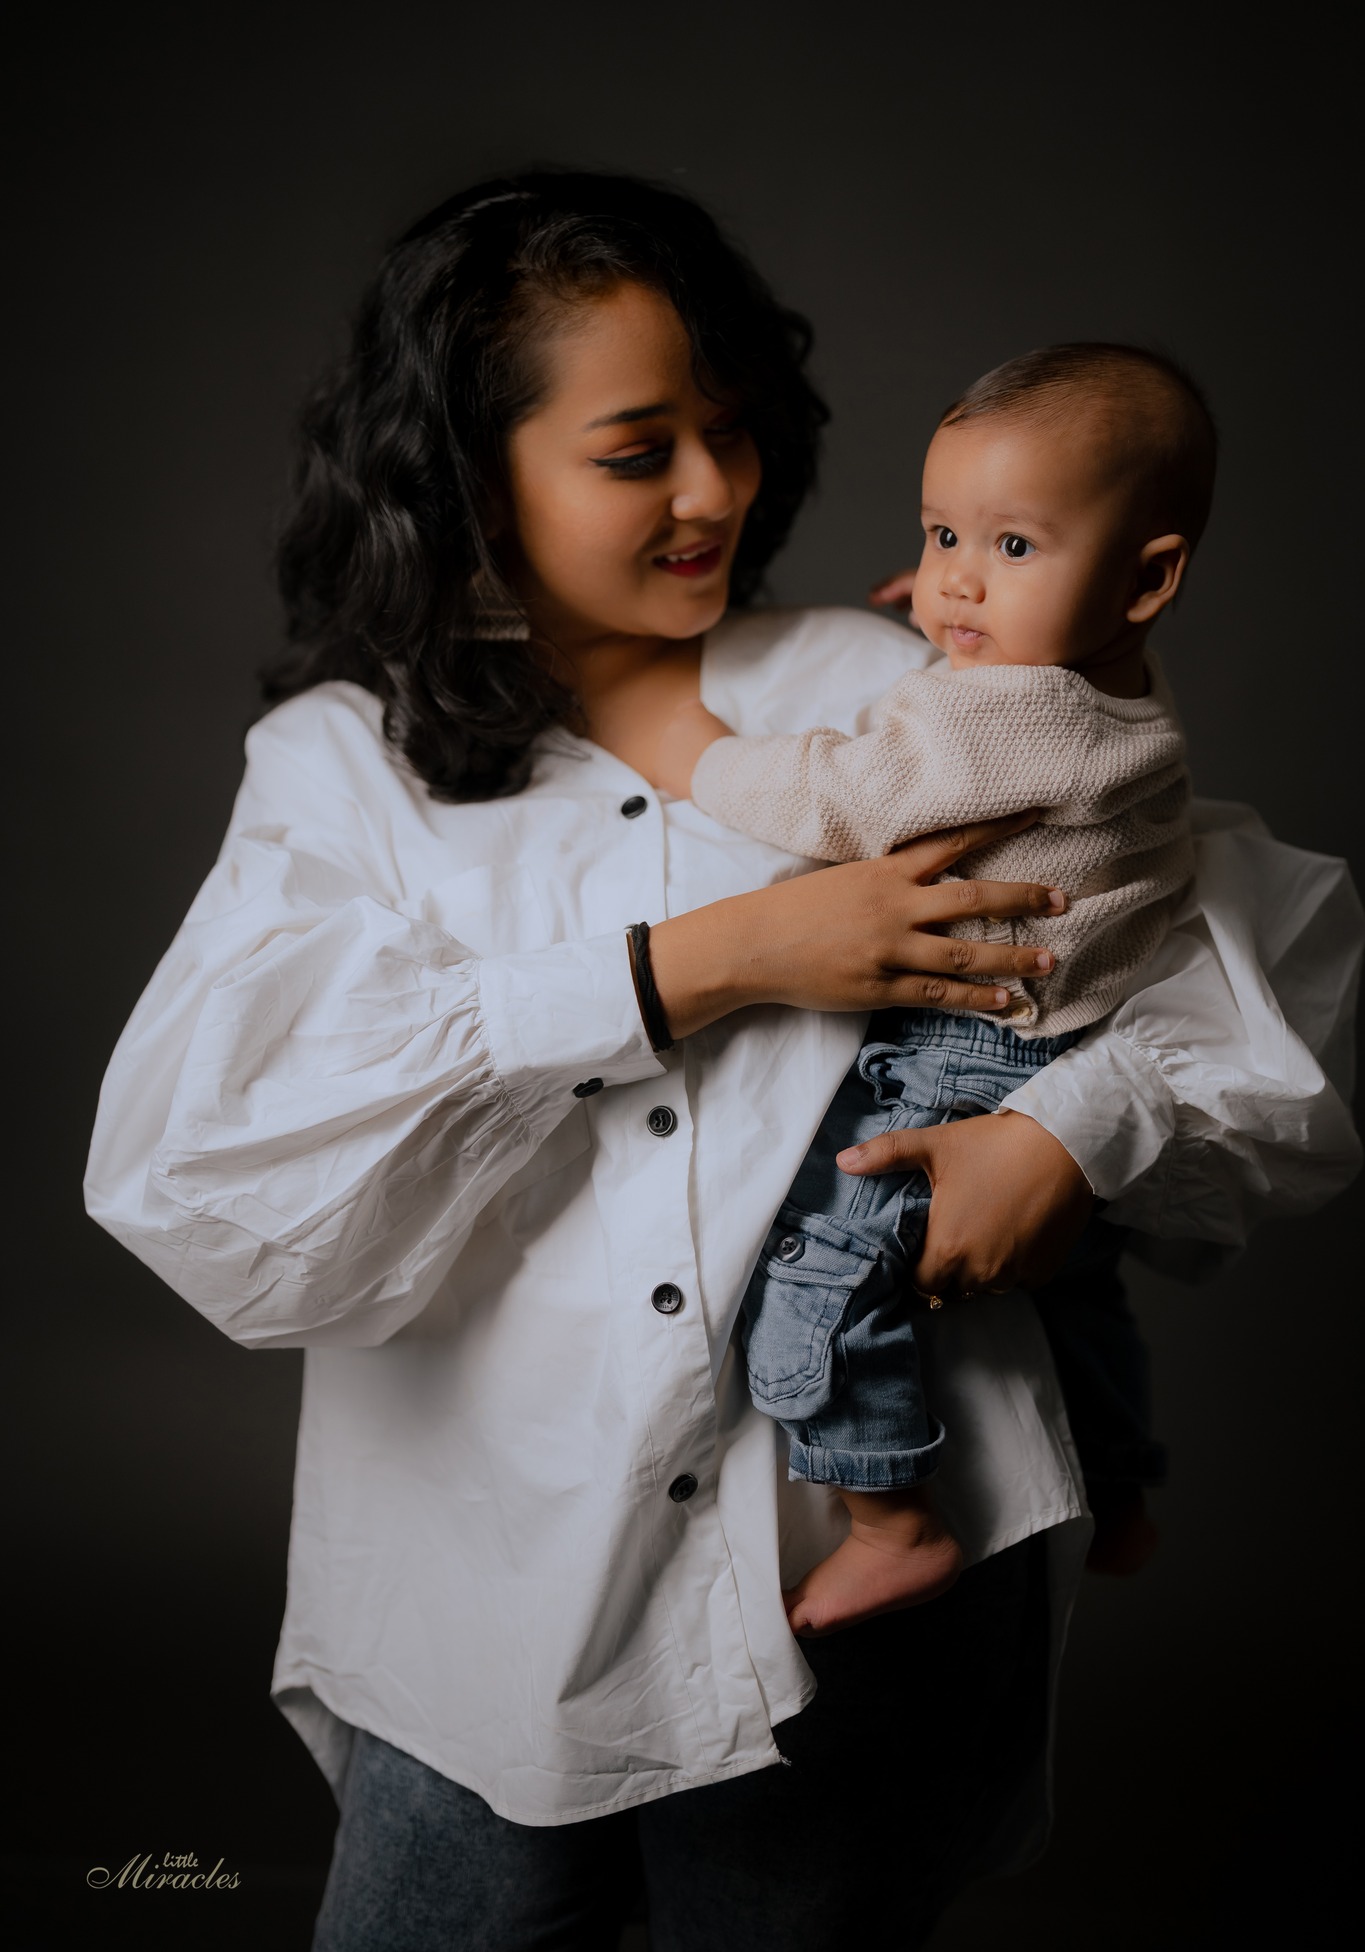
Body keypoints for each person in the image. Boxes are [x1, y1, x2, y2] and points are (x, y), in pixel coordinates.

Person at [83, 172, 1361, 1951]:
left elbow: (1216, 976)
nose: (716, 491)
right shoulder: (339, 770)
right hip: (492, 1590)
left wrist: (1071, 1130)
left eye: (732, 429)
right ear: (468, 476)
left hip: (854, 1585)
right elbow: (207, 1168)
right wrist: (704, 963)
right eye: (637, 452)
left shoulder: (891, 686)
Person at [656, 341, 1210, 1634]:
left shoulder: (1001, 714)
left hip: (970, 1045)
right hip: (1078, 1022)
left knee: (820, 1255)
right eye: (942, 534)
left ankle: (891, 1519)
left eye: (1011, 547)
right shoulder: (1114, 670)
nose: (958, 576)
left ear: (1144, 579)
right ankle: (1120, 1483)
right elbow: (1037, 691)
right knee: (1075, 1284)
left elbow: (846, 797)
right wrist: (988, 602)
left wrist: (701, 756)